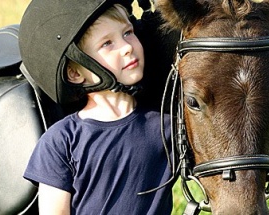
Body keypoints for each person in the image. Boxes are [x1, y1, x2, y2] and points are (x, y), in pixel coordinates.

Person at [19, 0, 177, 214]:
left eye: (128, 32)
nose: (127, 47)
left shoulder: (166, 125)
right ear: (75, 73)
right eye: (107, 43)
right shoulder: (61, 140)